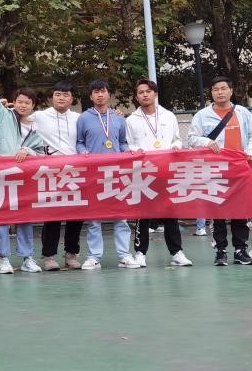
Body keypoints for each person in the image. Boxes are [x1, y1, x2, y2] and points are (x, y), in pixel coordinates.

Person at [0, 55, 44, 274]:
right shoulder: (3, 115)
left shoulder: (37, 127)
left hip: (25, 177)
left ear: (33, 106)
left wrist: (28, 151)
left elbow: (42, 152)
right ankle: (4, 258)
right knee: (2, 216)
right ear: (14, 102)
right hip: (2, 174)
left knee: (25, 217)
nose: (23, 105)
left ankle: (27, 257)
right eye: (20, 101)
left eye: (27, 103)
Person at [188, 77, 252, 266]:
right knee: (217, 211)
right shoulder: (202, 115)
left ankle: (240, 250)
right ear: (211, 93)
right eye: (215, 89)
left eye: (223, 88)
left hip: (239, 169)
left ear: (231, 90)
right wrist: (206, 142)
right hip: (214, 170)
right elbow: (192, 138)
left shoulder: (242, 112)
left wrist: (251, 151)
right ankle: (220, 251)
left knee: (240, 211)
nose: (220, 92)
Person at [124, 79, 193, 266]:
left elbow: (177, 139)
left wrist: (176, 146)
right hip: (143, 172)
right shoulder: (131, 120)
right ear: (136, 97)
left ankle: (177, 252)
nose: (145, 95)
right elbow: (129, 144)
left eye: (148, 91)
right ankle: (140, 253)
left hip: (166, 171)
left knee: (170, 212)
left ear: (155, 93)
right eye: (140, 92)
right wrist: (135, 150)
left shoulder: (168, 116)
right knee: (143, 215)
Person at [76, 79, 139, 270]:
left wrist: (129, 152)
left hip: (117, 173)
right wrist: (82, 152)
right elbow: (79, 142)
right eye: (96, 92)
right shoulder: (83, 118)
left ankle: (124, 255)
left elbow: (123, 142)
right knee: (94, 218)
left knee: (121, 216)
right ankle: (94, 256)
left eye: (103, 91)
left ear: (108, 94)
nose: (100, 95)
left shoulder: (119, 118)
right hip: (93, 174)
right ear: (91, 96)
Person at [30, 80, 83, 270]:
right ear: (52, 97)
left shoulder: (79, 118)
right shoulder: (39, 116)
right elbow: (18, 118)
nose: (61, 98)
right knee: (52, 215)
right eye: (57, 94)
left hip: (75, 172)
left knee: (76, 216)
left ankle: (71, 254)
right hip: (50, 172)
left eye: (66, 95)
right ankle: (49, 256)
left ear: (72, 98)